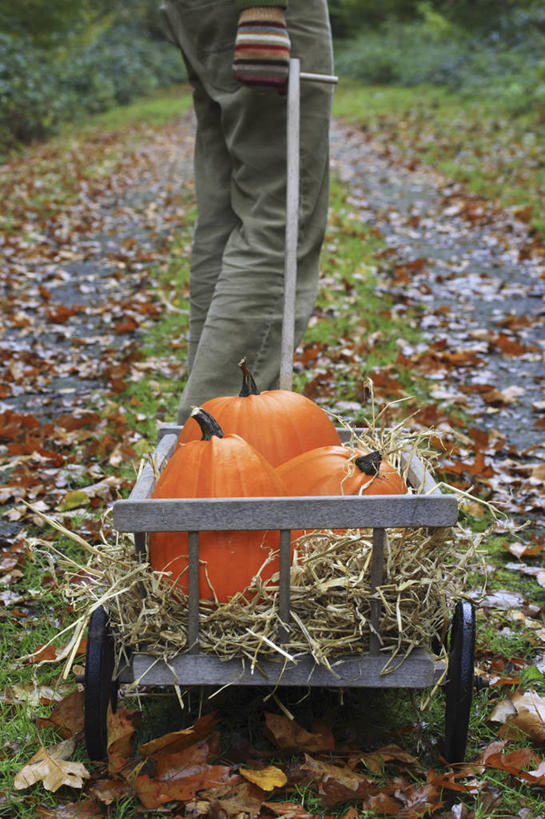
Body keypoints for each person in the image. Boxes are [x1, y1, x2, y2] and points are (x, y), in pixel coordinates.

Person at [159, 0, 334, 424]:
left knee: (227, 217)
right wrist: (263, 8)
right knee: (279, 216)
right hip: (256, 11)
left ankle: (206, 421)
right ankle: (210, 449)